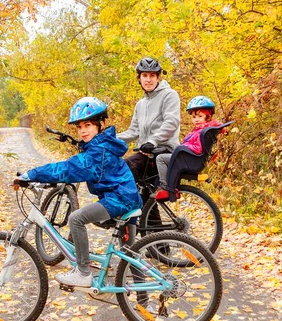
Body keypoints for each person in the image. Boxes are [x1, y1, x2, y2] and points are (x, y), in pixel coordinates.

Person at [18, 97, 142, 287]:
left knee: (76, 219)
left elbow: (67, 169)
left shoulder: (98, 152)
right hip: (126, 197)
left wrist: (32, 174)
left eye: (88, 125)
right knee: (130, 254)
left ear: (101, 125)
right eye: (79, 127)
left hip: (120, 199)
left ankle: (83, 272)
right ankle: (144, 304)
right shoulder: (103, 145)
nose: (83, 130)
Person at [117, 57, 181, 182]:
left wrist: (153, 141)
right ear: (139, 78)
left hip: (163, 151)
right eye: (144, 75)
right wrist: (108, 138)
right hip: (146, 153)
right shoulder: (140, 104)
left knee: (123, 170)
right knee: (142, 195)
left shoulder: (169, 95)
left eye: (152, 75)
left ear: (158, 77)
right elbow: (133, 132)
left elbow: (171, 122)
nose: (148, 79)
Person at [154, 95, 226, 198]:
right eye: (194, 117)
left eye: (200, 116)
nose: (196, 119)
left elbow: (196, 148)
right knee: (166, 154)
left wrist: (183, 148)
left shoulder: (202, 132)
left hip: (191, 160)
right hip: (190, 158)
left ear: (208, 117)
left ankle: (165, 186)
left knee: (160, 158)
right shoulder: (201, 130)